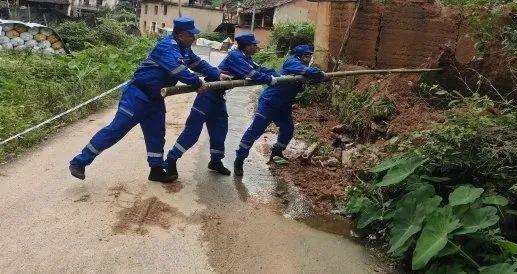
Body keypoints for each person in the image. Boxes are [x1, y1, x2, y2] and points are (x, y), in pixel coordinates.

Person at [69, 17, 228, 183]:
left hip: (156, 99)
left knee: (156, 135)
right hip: (137, 96)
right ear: (180, 35)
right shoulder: (167, 47)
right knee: (116, 130)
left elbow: (198, 64)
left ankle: (157, 170)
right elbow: (178, 70)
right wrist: (197, 83)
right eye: (191, 35)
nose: (193, 38)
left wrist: (217, 74)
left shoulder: (185, 49)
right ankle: (79, 162)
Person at [165, 32, 276, 178]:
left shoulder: (246, 58)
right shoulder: (236, 57)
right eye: (254, 45)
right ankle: (171, 160)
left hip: (219, 97)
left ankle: (215, 161)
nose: (257, 47)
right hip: (207, 95)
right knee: (192, 132)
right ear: (247, 46)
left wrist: (278, 75)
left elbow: (260, 69)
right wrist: (270, 80)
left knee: (220, 130)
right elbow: (253, 75)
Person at [233, 44, 326, 177]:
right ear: (299, 56)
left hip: (284, 105)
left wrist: (322, 78)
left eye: (310, 56)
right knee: (256, 130)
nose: (309, 59)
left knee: (288, 129)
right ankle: (239, 160)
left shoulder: (303, 66)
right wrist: (319, 74)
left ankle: (276, 153)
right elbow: (308, 72)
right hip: (270, 102)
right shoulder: (292, 61)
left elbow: (309, 77)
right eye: (307, 56)